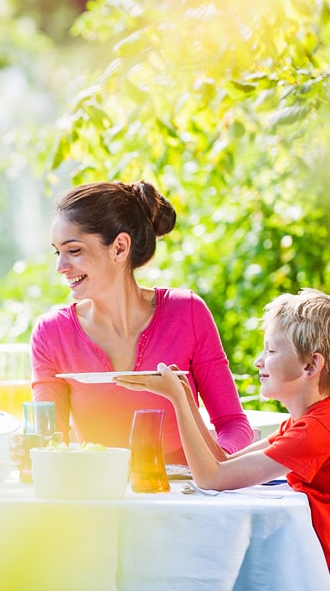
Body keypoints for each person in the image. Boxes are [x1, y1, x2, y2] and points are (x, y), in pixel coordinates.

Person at [116, 289, 330, 591]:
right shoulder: (307, 424)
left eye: (270, 351)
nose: (258, 361)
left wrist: (177, 402)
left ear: (311, 365)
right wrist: (183, 395)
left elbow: (211, 478)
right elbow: (223, 461)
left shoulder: (317, 432)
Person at [30, 181, 253, 463]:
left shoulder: (187, 314)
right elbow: (50, 440)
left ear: (120, 248)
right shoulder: (52, 334)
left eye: (74, 251)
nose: (60, 267)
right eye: (57, 252)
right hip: (100, 500)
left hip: (187, 497)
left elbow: (233, 424)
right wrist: (32, 451)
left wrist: (219, 465)